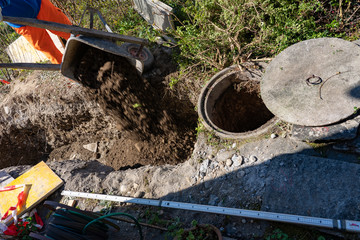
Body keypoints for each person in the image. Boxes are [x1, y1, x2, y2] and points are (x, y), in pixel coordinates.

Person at [0, 0, 72, 64]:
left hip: (39, 4)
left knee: (70, 32)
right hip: (21, 23)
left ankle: (83, 47)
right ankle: (71, 72)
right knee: (50, 51)